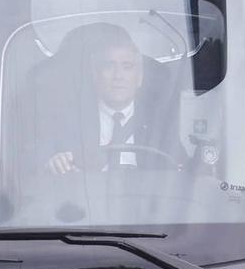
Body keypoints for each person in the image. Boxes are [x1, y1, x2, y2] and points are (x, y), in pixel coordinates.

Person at [41, 25, 183, 175]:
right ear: (95, 74)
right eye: (109, 66)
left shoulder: (159, 123)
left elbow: (180, 168)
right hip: (89, 198)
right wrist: (56, 163)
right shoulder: (69, 122)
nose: (118, 76)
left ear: (140, 77)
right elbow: (46, 168)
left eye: (127, 67)